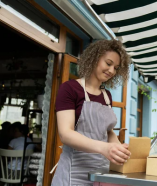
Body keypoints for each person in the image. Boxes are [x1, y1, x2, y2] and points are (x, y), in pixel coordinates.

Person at [52, 40, 131, 185]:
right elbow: (65, 133)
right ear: (94, 58)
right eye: (108, 63)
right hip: (74, 175)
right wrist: (104, 148)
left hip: (100, 175)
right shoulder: (69, 89)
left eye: (116, 67)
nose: (112, 71)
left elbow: (107, 132)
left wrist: (118, 149)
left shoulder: (107, 96)